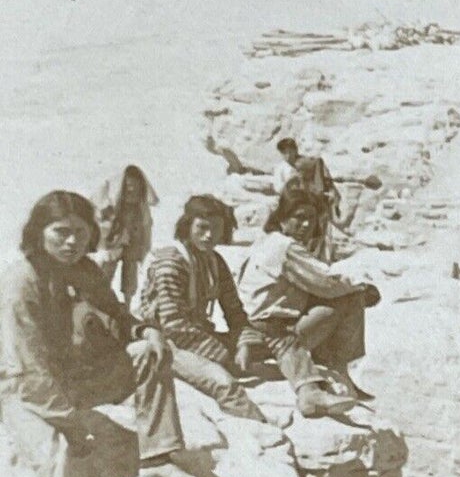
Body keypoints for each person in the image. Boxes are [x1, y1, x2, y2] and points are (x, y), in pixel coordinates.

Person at [0, 191, 192, 477]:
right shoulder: (20, 281)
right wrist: (71, 424)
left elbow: (118, 313)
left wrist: (143, 329)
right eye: (60, 232)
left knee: (148, 352)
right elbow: (27, 369)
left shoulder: (84, 270)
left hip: (75, 379)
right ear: (38, 233)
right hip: (21, 388)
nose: (70, 242)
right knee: (59, 458)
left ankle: (159, 453)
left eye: (79, 233)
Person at [236, 189, 379, 405]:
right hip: (273, 333)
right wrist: (362, 287)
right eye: (299, 218)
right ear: (283, 218)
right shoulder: (286, 247)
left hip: (254, 328)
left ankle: (336, 371)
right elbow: (325, 281)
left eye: (310, 218)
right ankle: (338, 369)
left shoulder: (266, 240)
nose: (306, 225)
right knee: (350, 298)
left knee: (337, 296)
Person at [136, 195, 271, 423]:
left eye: (217, 229)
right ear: (187, 225)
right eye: (202, 227)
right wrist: (225, 356)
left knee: (275, 342)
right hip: (167, 342)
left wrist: (244, 343)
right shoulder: (171, 262)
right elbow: (173, 326)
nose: (209, 235)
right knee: (225, 384)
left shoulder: (214, 260)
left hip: (199, 335)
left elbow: (234, 311)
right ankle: (262, 431)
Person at [94, 164, 158, 302]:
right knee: (106, 271)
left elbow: (145, 225)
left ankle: (127, 304)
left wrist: (143, 244)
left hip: (133, 241)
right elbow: (100, 216)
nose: (132, 188)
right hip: (115, 240)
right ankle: (100, 299)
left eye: (135, 185)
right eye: (129, 185)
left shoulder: (141, 206)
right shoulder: (113, 202)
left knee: (130, 273)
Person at [274, 137, 342, 259]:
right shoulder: (280, 168)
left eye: (290, 151)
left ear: (295, 150)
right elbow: (278, 188)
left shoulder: (307, 164)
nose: (288, 156)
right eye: (285, 153)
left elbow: (318, 181)